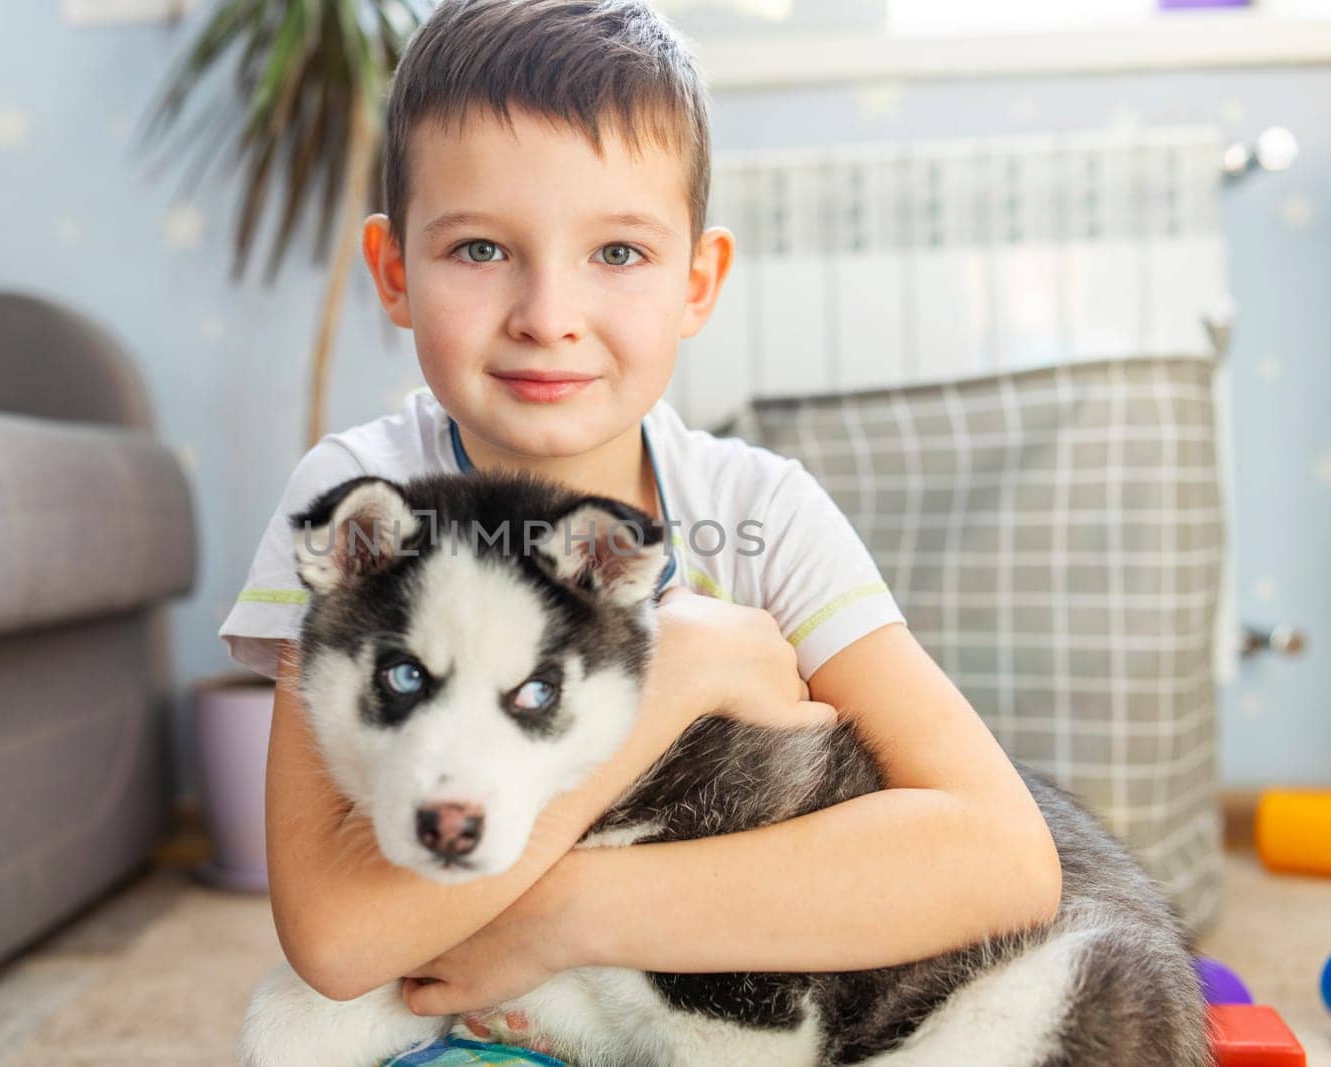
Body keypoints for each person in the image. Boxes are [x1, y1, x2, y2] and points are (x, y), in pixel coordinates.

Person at [219, 0, 1062, 1053]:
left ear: (696, 280)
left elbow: (1000, 856)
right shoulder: (364, 492)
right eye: (480, 247)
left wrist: (566, 914)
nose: (547, 312)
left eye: (616, 252)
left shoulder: (761, 513)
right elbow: (340, 938)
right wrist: (688, 667)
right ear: (394, 270)